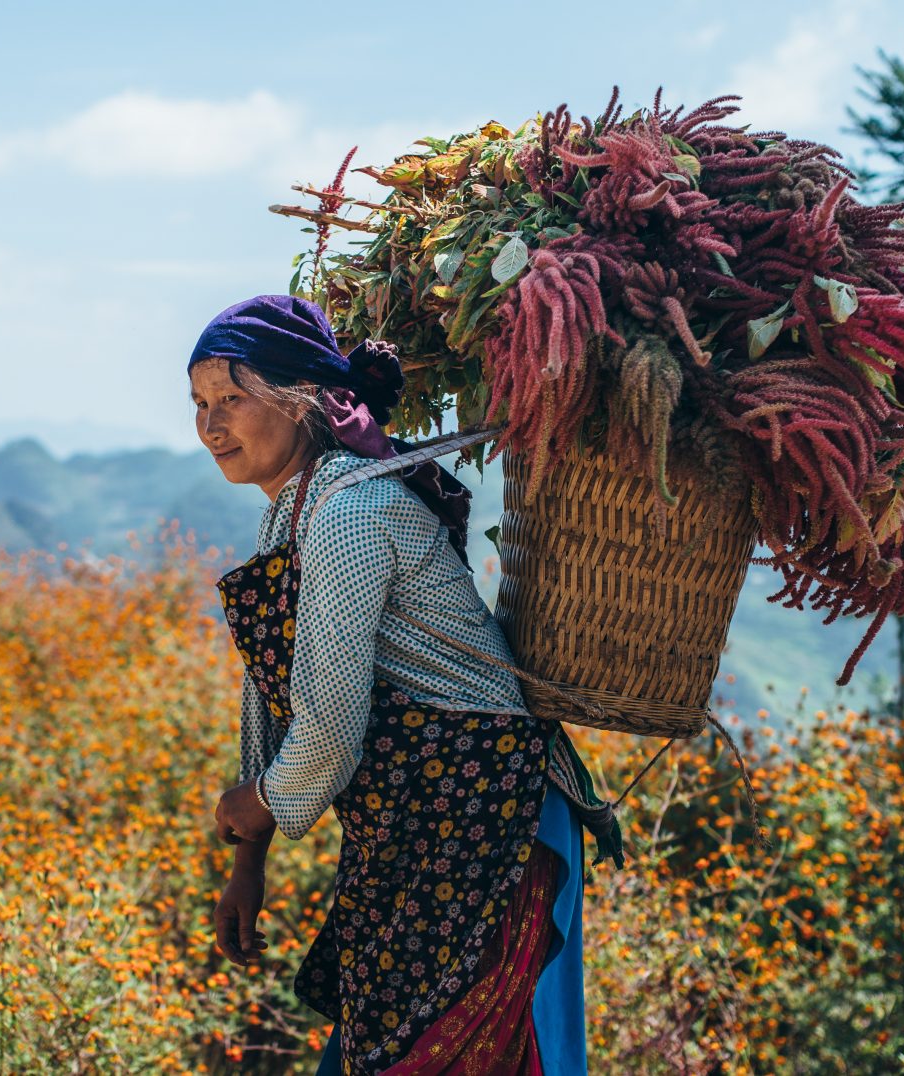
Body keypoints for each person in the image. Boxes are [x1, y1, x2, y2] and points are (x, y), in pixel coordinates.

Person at [192, 295, 609, 1075]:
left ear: (300, 398)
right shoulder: (291, 515)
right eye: (201, 404)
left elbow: (327, 730)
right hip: (418, 837)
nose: (213, 426)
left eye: (233, 399)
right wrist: (247, 859)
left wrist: (258, 805)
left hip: (492, 824)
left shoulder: (351, 510)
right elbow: (270, 693)